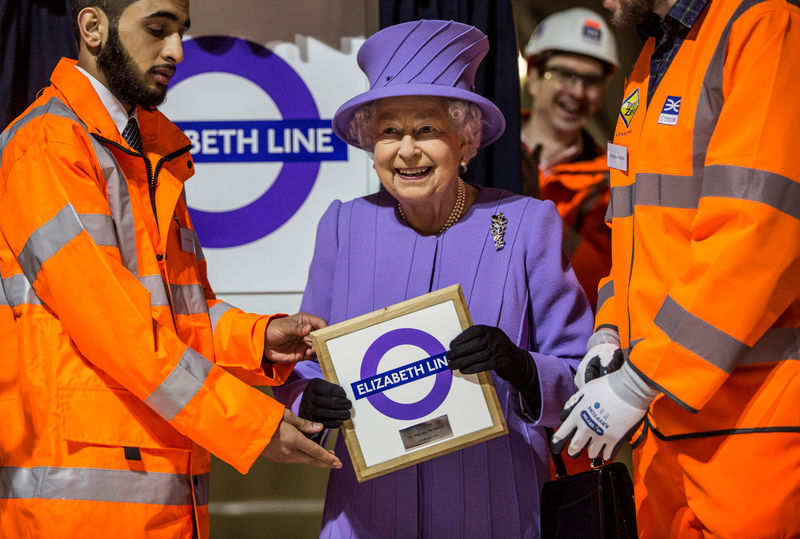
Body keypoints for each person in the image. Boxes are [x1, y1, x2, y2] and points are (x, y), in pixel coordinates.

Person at [0, 0, 342, 536]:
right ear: (93, 28)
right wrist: (251, 425)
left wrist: (260, 339)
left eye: (181, 31)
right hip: (79, 510)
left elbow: (182, 314)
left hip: (166, 495)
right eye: (158, 30)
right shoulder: (45, 146)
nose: (177, 51)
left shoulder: (149, 151)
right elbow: (116, 329)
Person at [272, 19, 594, 538]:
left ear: (466, 141)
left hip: (496, 509)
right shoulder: (343, 225)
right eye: (389, 132)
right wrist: (307, 399)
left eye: (427, 130)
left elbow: (580, 377)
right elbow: (308, 360)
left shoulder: (526, 224)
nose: (406, 151)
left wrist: (520, 365)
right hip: (367, 514)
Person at [552, 0, 800, 536]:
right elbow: (635, 234)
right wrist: (609, 330)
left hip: (751, 425)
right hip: (659, 429)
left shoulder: (763, 25)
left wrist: (640, 381)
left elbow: (756, 234)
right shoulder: (650, 59)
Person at [521, 7, 618, 310]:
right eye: (565, 74)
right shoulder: (480, 151)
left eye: (591, 81)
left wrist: (541, 215)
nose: (577, 91)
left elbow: (600, 285)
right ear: (535, 77)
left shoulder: (613, 179)